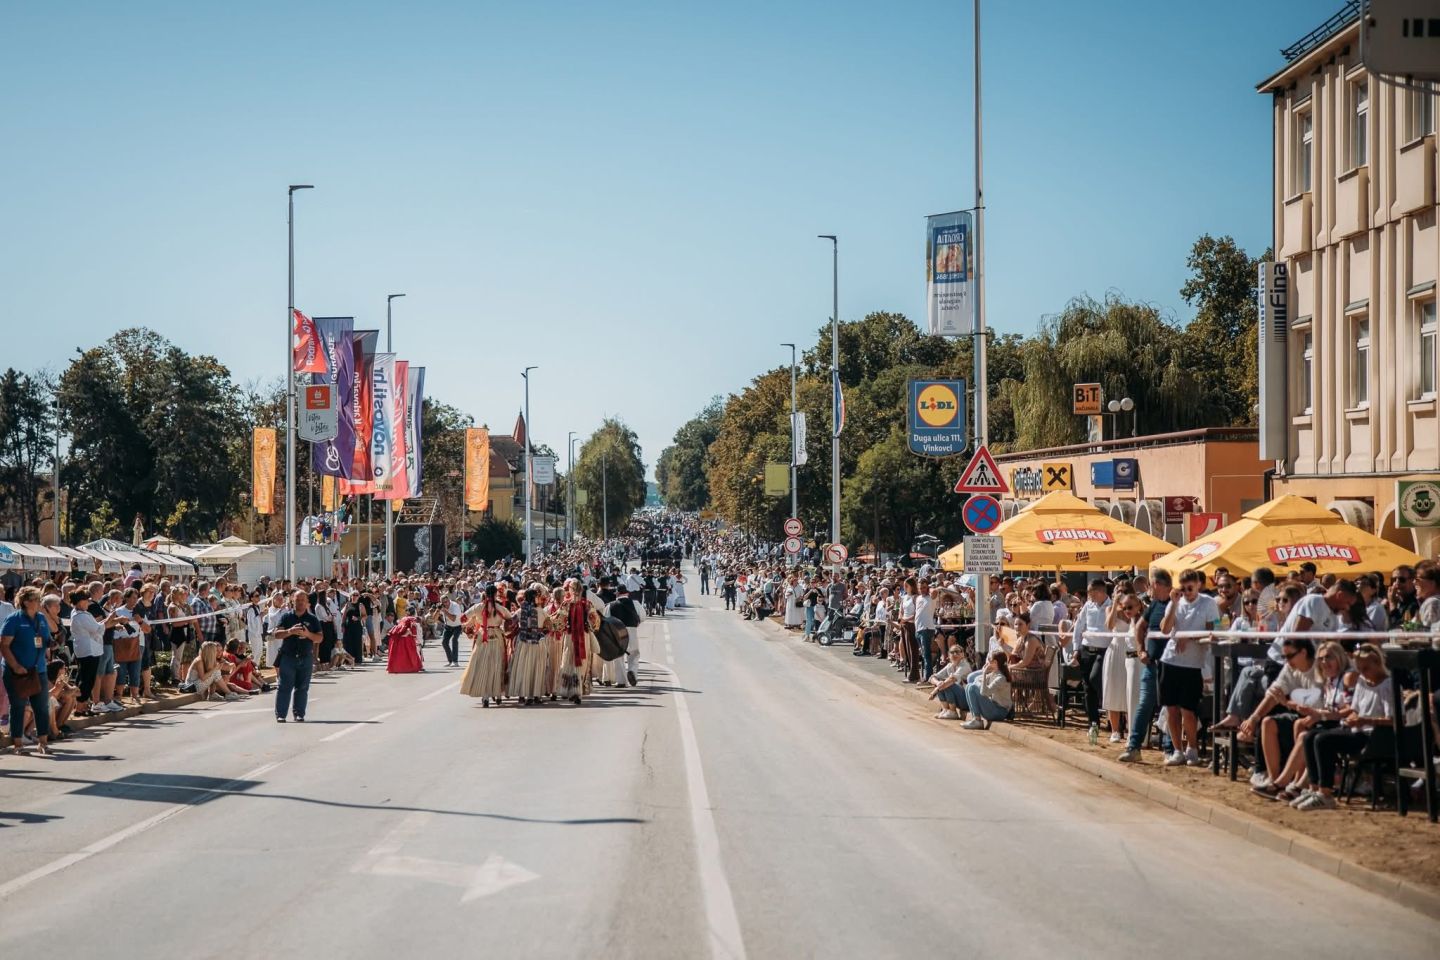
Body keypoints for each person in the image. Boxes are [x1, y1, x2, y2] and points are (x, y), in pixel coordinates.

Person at [1295, 644, 1394, 810]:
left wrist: (1363, 720)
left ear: (1377, 663)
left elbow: (1392, 719)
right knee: (1310, 736)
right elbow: (1354, 709)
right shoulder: (1363, 681)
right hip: (1357, 729)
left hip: (1374, 736)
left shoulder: (1388, 685)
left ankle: (1325, 793)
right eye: (1360, 668)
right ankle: (1313, 788)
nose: (1362, 672)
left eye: (1366, 668)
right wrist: (1353, 719)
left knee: (1323, 740)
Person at [1158, 569, 1218, 767]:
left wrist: (1188, 636)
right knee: (1171, 709)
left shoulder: (1208, 603)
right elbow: (1165, 629)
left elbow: (1212, 631)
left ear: (1198, 585)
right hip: (1171, 660)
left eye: (1190, 588)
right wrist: (1174, 603)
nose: (1186, 592)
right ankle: (1177, 750)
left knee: (1188, 710)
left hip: (1193, 664)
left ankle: (1192, 747)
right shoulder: (1176, 602)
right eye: (1183, 589)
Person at [2, 586, 53, 754]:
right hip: (17, 672)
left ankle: (43, 743)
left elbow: (46, 639)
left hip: (38, 669)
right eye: (36, 599)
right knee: (18, 706)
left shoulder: (41, 618)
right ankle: (18, 745)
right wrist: (15, 666)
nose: (39, 603)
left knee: (42, 707)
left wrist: (52, 643)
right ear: (25, 602)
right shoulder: (13, 619)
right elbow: (4, 645)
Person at [273, 590, 322, 722]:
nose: (300, 603)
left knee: (302, 687)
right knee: (284, 687)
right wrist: (290, 631)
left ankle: (299, 714)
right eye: (297, 600)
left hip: (305, 657)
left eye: (302, 600)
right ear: (292, 601)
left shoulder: (312, 619)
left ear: (307, 603)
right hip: (288, 657)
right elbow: (277, 634)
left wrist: (308, 635)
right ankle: (281, 715)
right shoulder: (286, 617)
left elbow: (319, 638)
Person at [459, 584, 510, 707]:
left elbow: (463, 618)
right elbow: (510, 619)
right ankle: (498, 695)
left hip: (483, 637)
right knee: (497, 665)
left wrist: (471, 625)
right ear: (495, 594)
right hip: (497, 636)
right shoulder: (500, 608)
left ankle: (485, 696)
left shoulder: (478, 607)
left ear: (485, 594)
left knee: (482, 666)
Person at [961, 650, 1013, 730]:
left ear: (995, 663)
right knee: (969, 686)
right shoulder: (994, 673)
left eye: (989, 660)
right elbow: (977, 680)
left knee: (972, 687)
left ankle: (977, 721)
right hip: (993, 707)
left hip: (999, 712)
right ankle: (975, 719)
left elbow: (984, 692)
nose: (987, 663)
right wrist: (982, 677)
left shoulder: (1001, 678)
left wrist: (984, 673)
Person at [606, 583, 644, 688]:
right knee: (634, 653)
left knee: (618, 655)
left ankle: (621, 681)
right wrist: (637, 622)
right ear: (627, 593)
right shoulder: (635, 603)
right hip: (632, 630)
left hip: (617, 631)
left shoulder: (611, 605)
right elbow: (643, 616)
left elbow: (606, 619)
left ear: (617, 593)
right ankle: (632, 671)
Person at [928, 645, 974, 719]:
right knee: (941, 683)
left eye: (957, 652)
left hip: (967, 700)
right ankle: (946, 710)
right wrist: (937, 683)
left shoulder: (964, 665)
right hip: (958, 699)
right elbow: (932, 677)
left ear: (962, 654)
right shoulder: (949, 666)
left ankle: (953, 712)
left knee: (948, 684)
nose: (955, 654)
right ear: (949, 655)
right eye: (952, 652)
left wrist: (936, 690)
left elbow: (952, 679)